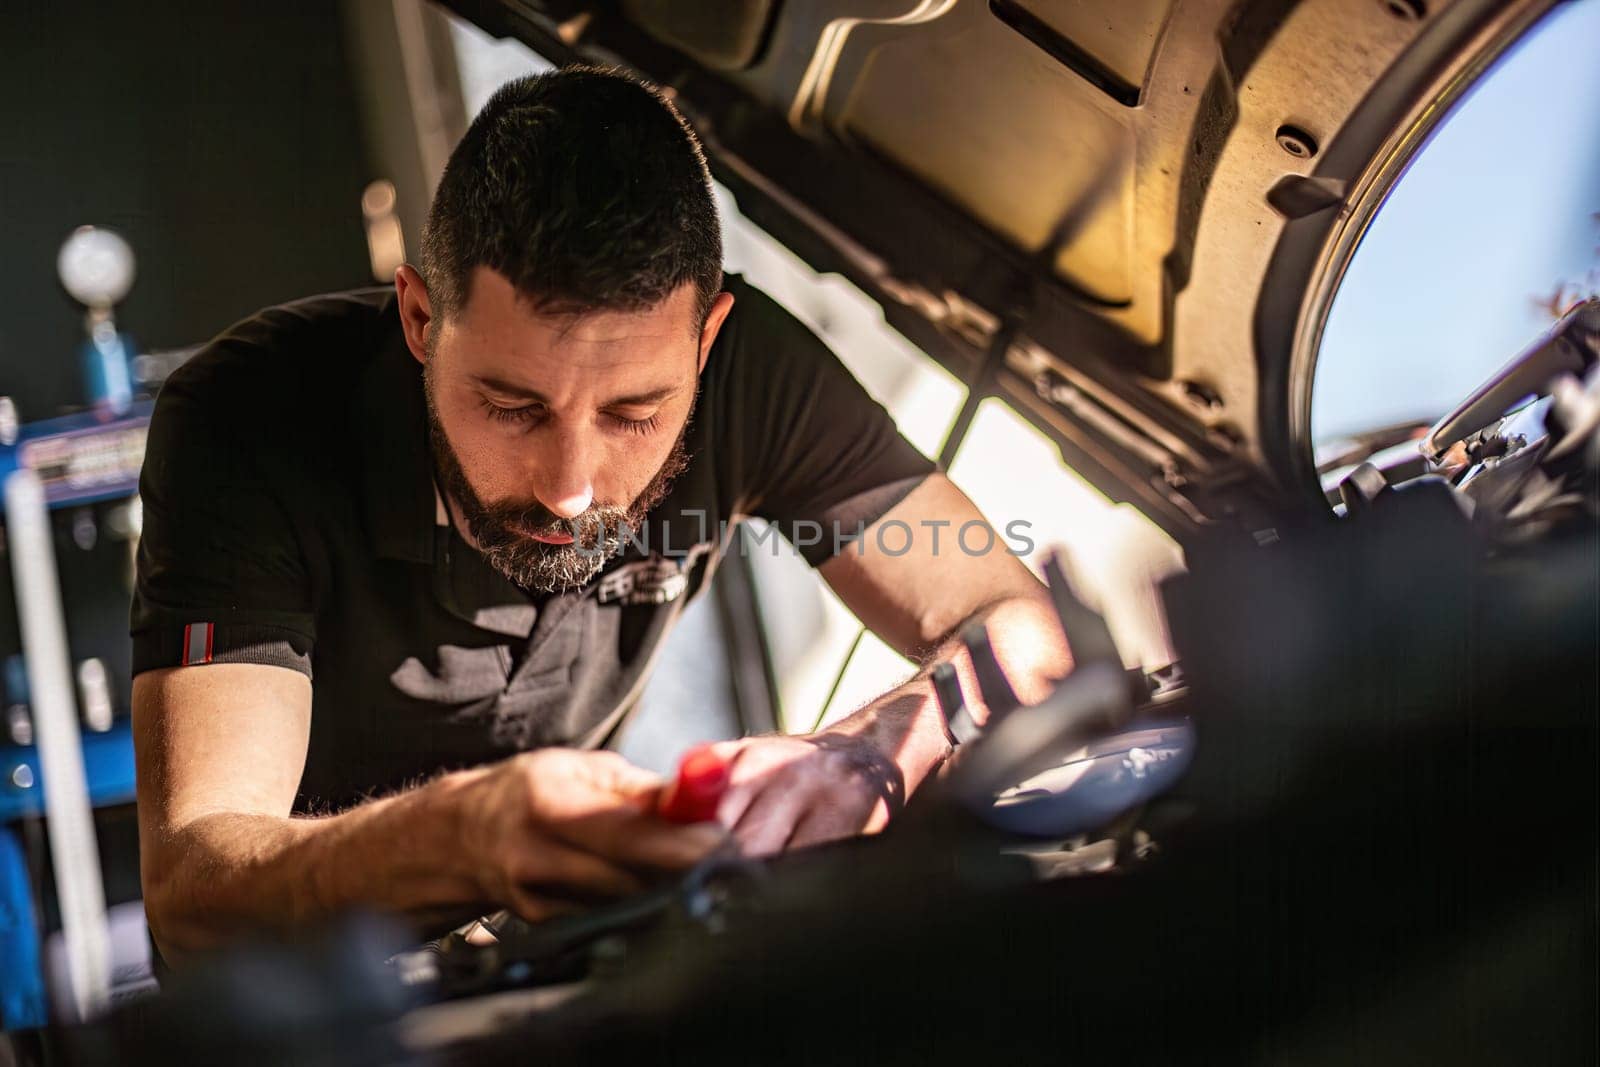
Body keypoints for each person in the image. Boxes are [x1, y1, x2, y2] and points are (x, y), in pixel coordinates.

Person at [131, 66, 1069, 961]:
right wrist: (467, 835)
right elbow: (195, 891)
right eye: (512, 407)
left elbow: (1009, 618)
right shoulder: (249, 419)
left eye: (634, 414)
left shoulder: (754, 381)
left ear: (706, 342)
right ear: (419, 320)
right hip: (305, 1007)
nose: (570, 487)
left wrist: (878, 747)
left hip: (558, 961)